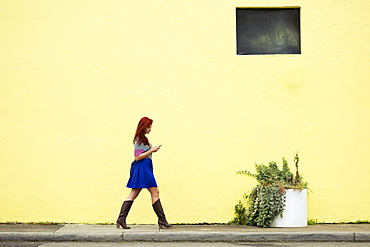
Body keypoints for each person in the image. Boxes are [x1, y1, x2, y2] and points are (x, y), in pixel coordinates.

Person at [116, 117, 172, 229]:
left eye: (150, 127)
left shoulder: (143, 139)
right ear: (143, 127)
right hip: (142, 168)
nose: (150, 129)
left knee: (134, 193)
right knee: (154, 191)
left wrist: (151, 150)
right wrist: (152, 150)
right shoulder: (139, 140)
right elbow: (137, 157)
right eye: (148, 127)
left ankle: (121, 218)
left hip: (145, 167)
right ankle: (162, 220)